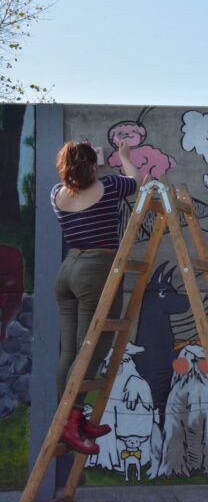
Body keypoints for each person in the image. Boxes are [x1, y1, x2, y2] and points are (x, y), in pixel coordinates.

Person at [51, 140, 140, 454]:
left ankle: (68, 418)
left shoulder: (56, 193)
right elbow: (137, 181)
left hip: (68, 270)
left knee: (70, 351)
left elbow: (79, 181)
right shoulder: (110, 185)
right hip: (96, 270)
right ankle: (71, 419)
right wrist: (125, 157)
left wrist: (85, 164)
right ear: (92, 165)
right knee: (93, 346)